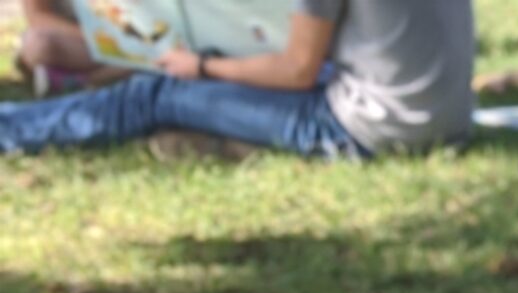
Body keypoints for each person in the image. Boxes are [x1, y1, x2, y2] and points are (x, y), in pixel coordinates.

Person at [1, 0, 473, 158]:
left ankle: (11, 130)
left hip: (368, 128)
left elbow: (295, 70)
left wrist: (202, 68)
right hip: (449, 117)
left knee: (158, 92)